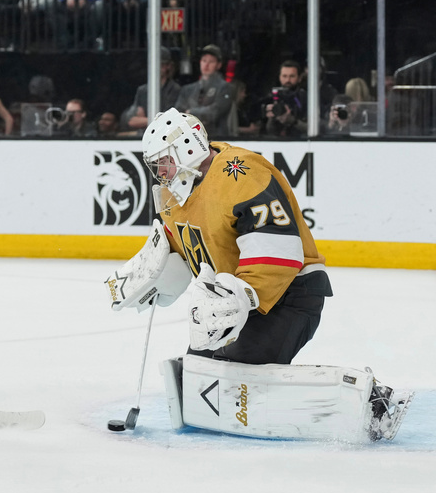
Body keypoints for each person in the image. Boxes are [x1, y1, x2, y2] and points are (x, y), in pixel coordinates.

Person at [104, 108, 411, 441]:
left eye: (164, 161)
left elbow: (278, 251)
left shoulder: (240, 173)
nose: (160, 172)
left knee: (236, 375)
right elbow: (183, 247)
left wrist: (242, 296)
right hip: (239, 302)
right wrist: (152, 272)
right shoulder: (179, 192)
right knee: (199, 377)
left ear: (187, 147)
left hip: (292, 295)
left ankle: (372, 401)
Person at [176, 43, 233, 135]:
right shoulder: (187, 89)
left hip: (217, 139)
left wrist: (190, 112)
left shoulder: (225, 88)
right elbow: (178, 114)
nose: (206, 65)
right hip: (191, 138)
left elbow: (215, 112)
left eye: (211, 62)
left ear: (219, 65)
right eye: (204, 60)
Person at [122, 46, 181, 132]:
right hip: (144, 134)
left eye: (161, 65)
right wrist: (152, 120)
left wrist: (143, 120)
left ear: (168, 66)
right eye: (153, 64)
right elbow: (130, 120)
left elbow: (168, 121)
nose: (156, 68)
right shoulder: (142, 90)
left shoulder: (175, 89)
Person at [262, 59, 307, 137]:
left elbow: (315, 128)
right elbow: (264, 130)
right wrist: (272, 118)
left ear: (299, 78)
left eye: (292, 76)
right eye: (284, 76)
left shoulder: (305, 98)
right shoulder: (270, 97)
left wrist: (293, 121)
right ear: (280, 77)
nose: (288, 80)